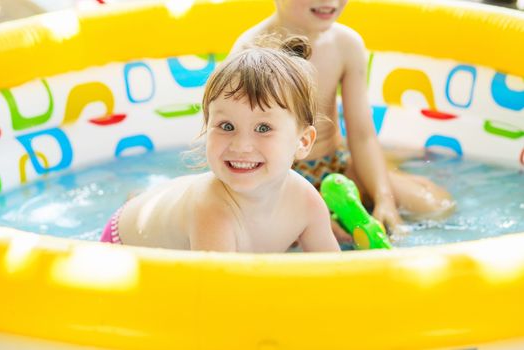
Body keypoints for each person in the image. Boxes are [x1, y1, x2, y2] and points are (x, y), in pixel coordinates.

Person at [230, 0, 455, 242]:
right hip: (276, 178)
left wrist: (384, 198)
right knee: (275, 236)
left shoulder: (345, 45)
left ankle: (383, 179)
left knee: (437, 206)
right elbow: (243, 149)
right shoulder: (250, 53)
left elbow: (362, 135)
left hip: (337, 166)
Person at [100, 36, 341, 253]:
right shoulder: (213, 212)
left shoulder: (306, 202)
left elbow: (336, 275)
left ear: (303, 141)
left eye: (263, 128)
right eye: (226, 126)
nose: (241, 145)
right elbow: (221, 299)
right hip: (121, 251)